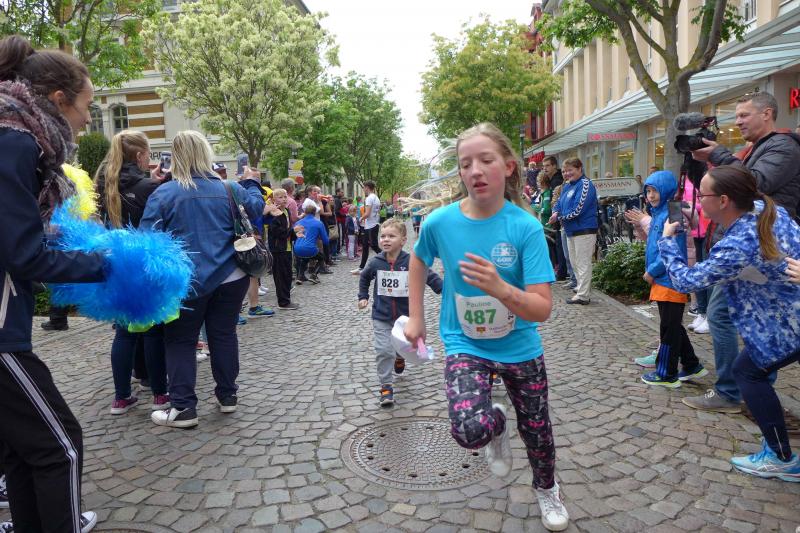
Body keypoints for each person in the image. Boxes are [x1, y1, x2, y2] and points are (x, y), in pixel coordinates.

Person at [404, 123, 568, 531]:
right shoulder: (440, 223)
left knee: (537, 431)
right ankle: (494, 424)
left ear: (509, 167)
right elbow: (418, 259)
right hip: (465, 342)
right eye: (465, 164)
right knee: (468, 429)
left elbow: (542, 309)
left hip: (519, 346)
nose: (474, 170)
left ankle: (547, 488)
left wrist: (500, 288)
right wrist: (417, 316)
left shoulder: (525, 227)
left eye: (485, 160)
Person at [0, 34, 102, 533]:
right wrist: (103, 264)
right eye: (86, 107)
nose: (87, 120)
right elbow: (23, 255)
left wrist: (53, 236)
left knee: (23, 451)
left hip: (8, 324)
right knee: (61, 447)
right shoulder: (14, 141)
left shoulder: (15, 138)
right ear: (58, 100)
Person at [659, 165, 800, 481]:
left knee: (748, 372)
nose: (697, 202)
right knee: (749, 371)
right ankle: (777, 451)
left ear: (723, 200)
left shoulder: (738, 244)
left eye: (702, 196)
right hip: (786, 315)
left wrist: (666, 241)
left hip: (785, 324)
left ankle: (781, 457)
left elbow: (686, 281)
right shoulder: (765, 209)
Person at [141, 130, 264, 428]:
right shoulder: (229, 188)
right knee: (223, 335)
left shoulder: (164, 193)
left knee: (180, 341)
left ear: (176, 156)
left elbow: (147, 240)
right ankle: (228, 396)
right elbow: (257, 208)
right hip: (231, 276)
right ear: (206, 153)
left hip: (185, 280)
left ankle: (183, 408)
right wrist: (251, 181)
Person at [94, 129, 169, 415]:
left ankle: (121, 397)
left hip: (116, 264)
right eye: (147, 154)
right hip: (145, 263)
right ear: (139, 155)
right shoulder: (148, 187)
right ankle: (160, 394)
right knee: (153, 331)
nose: (149, 159)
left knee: (124, 333)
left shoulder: (103, 184)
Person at [358, 219, 442, 406]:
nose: (386, 239)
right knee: (383, 350)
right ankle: (386, 386)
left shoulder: (411, 261)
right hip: (381, 315)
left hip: (405, 317)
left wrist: (443, 289)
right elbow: (364, 277)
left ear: (403, 240)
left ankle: (399, 356)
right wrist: (363, 296)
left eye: (391, 236)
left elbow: (428, 275)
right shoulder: (376, 262)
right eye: (383, 236)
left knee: (400, 346)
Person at [637, 171, 705, 387]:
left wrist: (652, 271)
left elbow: (672, 249)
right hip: (663, 280)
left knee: (668, 328)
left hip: (670, 279)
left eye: (654, 191)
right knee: (673, 325)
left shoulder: (673, 212)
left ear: (666, 190)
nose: (650, 195)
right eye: (648, 191)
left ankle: (666, 373)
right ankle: (691, 364)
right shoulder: (659, 212)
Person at [691, 92, 800, 220]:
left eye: (744, 115)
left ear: (766, 114)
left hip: (764, 229)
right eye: (737, 117)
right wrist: (696, 164)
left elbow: (754, 184)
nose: (737, 122)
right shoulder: (757, 148)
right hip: (750, 226)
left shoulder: (784, 146)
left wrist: (719, 155)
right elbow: (716, 191)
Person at [548, 158, 598, 305]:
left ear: (579, 168)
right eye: (564, 171)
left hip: (584, 229)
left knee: (583, 263)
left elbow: (578, 209)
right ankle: (581, 289)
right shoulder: (568, 185)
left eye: (570, 170)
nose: (566, 174)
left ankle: (583, 295)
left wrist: (560, 217)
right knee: (574, 262)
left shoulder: (585, 184)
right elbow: (559, 203)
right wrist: (555, 212)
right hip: (571, 230)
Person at [265, 188, 298, 310]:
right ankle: (283, 302)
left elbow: (288, 229)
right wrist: (293, 231)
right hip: (278, 249)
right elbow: (277, 232)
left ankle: (287, 299)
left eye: (285, 197)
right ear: (274, 200)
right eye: (280, 197)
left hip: (287, 247)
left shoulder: (286, 211)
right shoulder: (274, 214)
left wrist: (295, 234)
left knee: (288, 275)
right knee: (280, 276)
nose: (284, 199)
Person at [542, 156, 568, 282]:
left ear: (554, 166)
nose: (545, 168)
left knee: (561, 246)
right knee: (559, 245)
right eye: (543, 166)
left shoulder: (557, 180)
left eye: (547, 165)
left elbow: (557, 200)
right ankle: (561, 271)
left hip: (560, 219)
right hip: (557, 218)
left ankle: (562, 272)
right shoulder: (552, 180)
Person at [293, 203, 329, 284]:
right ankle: (313, 275)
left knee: (305, 258)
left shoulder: (298, 222)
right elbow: (326, 241)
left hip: (297, 248)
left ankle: (300, 277)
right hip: (310, 248)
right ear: (315, 213)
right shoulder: (318, 223)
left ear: (305, 212)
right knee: (322, 257)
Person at [351, 181, 381, 275]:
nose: (363, 189)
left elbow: (367, 213)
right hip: (372, 224)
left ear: (367, 187)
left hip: (371, 225)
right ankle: (361, 267)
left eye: (364, 187)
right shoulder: (376, 197)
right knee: (365, 246)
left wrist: (360, 219)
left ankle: (389, 259)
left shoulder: (369, 198)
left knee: (374, 246)